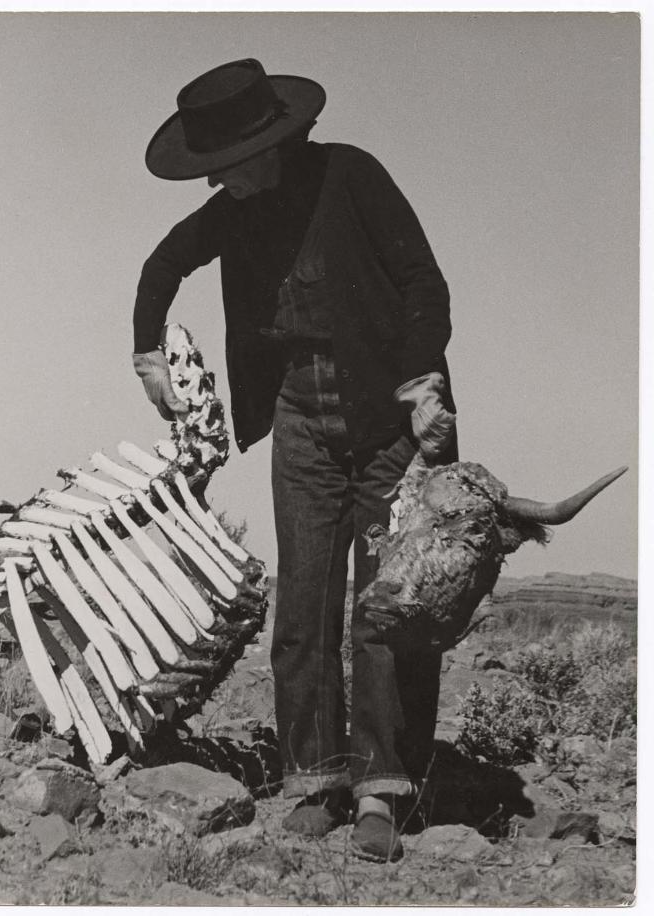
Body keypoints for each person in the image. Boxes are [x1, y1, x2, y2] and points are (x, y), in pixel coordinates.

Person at [133, 58, 457, 863]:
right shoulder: (234, 211)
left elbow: (425, 281)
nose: (218, 187)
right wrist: (147, 353)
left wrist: (422, 380)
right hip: (301, 426)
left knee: (388, 611)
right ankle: (314, 779)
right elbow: (160, 266)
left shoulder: (352, 177)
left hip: (390, 424)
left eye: (225, 171)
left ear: (270, 146)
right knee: (303, 605)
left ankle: (384, 790)